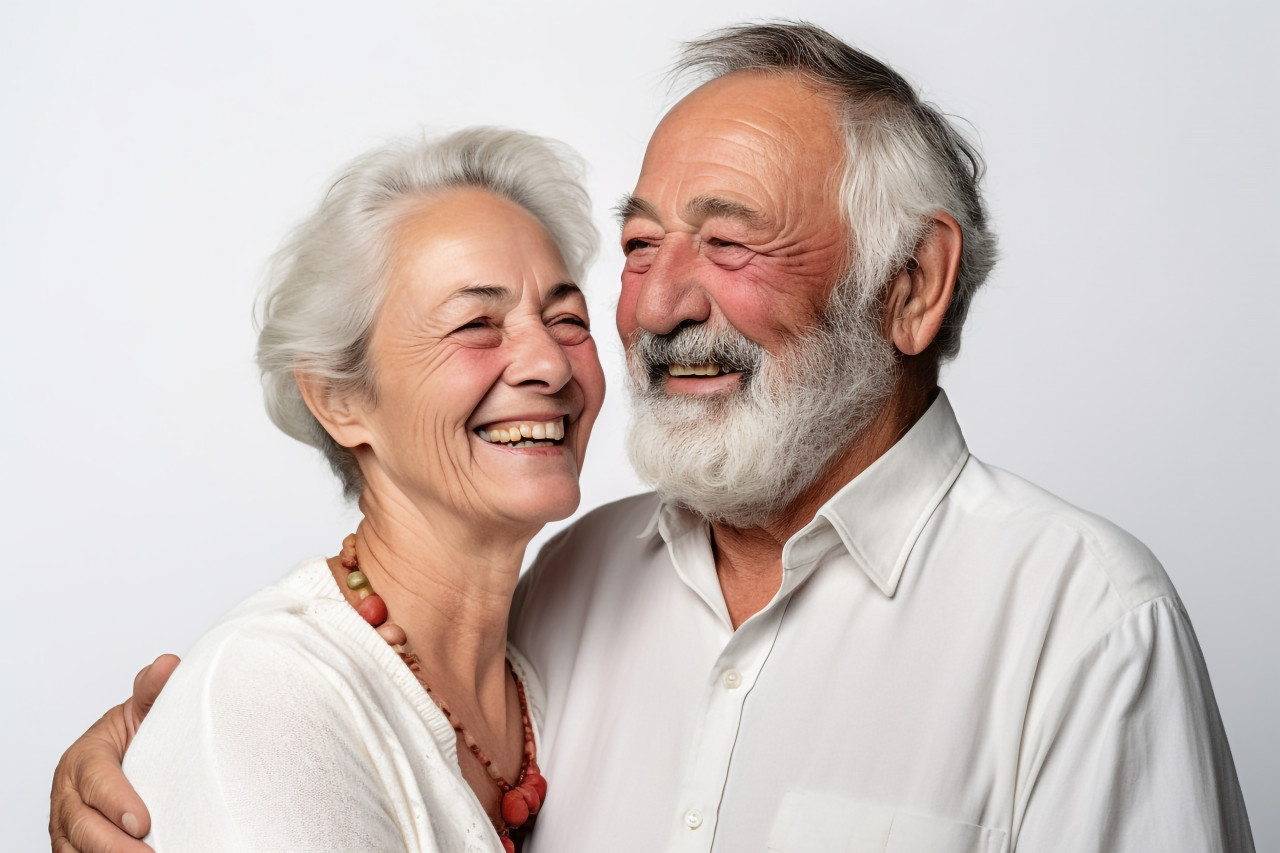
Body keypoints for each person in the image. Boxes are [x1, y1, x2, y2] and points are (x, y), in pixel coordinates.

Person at [51, 21, 1254, 853]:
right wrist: (162, 751)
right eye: (635, 248)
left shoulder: (1082, 621)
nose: (656, 305)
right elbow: (332, 703)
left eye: (727, 242)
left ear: (910, 287)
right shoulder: (572, 582)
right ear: (338, 398)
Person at [61, 127, 607, 852]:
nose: (548, 362)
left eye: (568, 318)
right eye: (477, 323)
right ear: (340, 399)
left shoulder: (560, 660)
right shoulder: (269, 689)